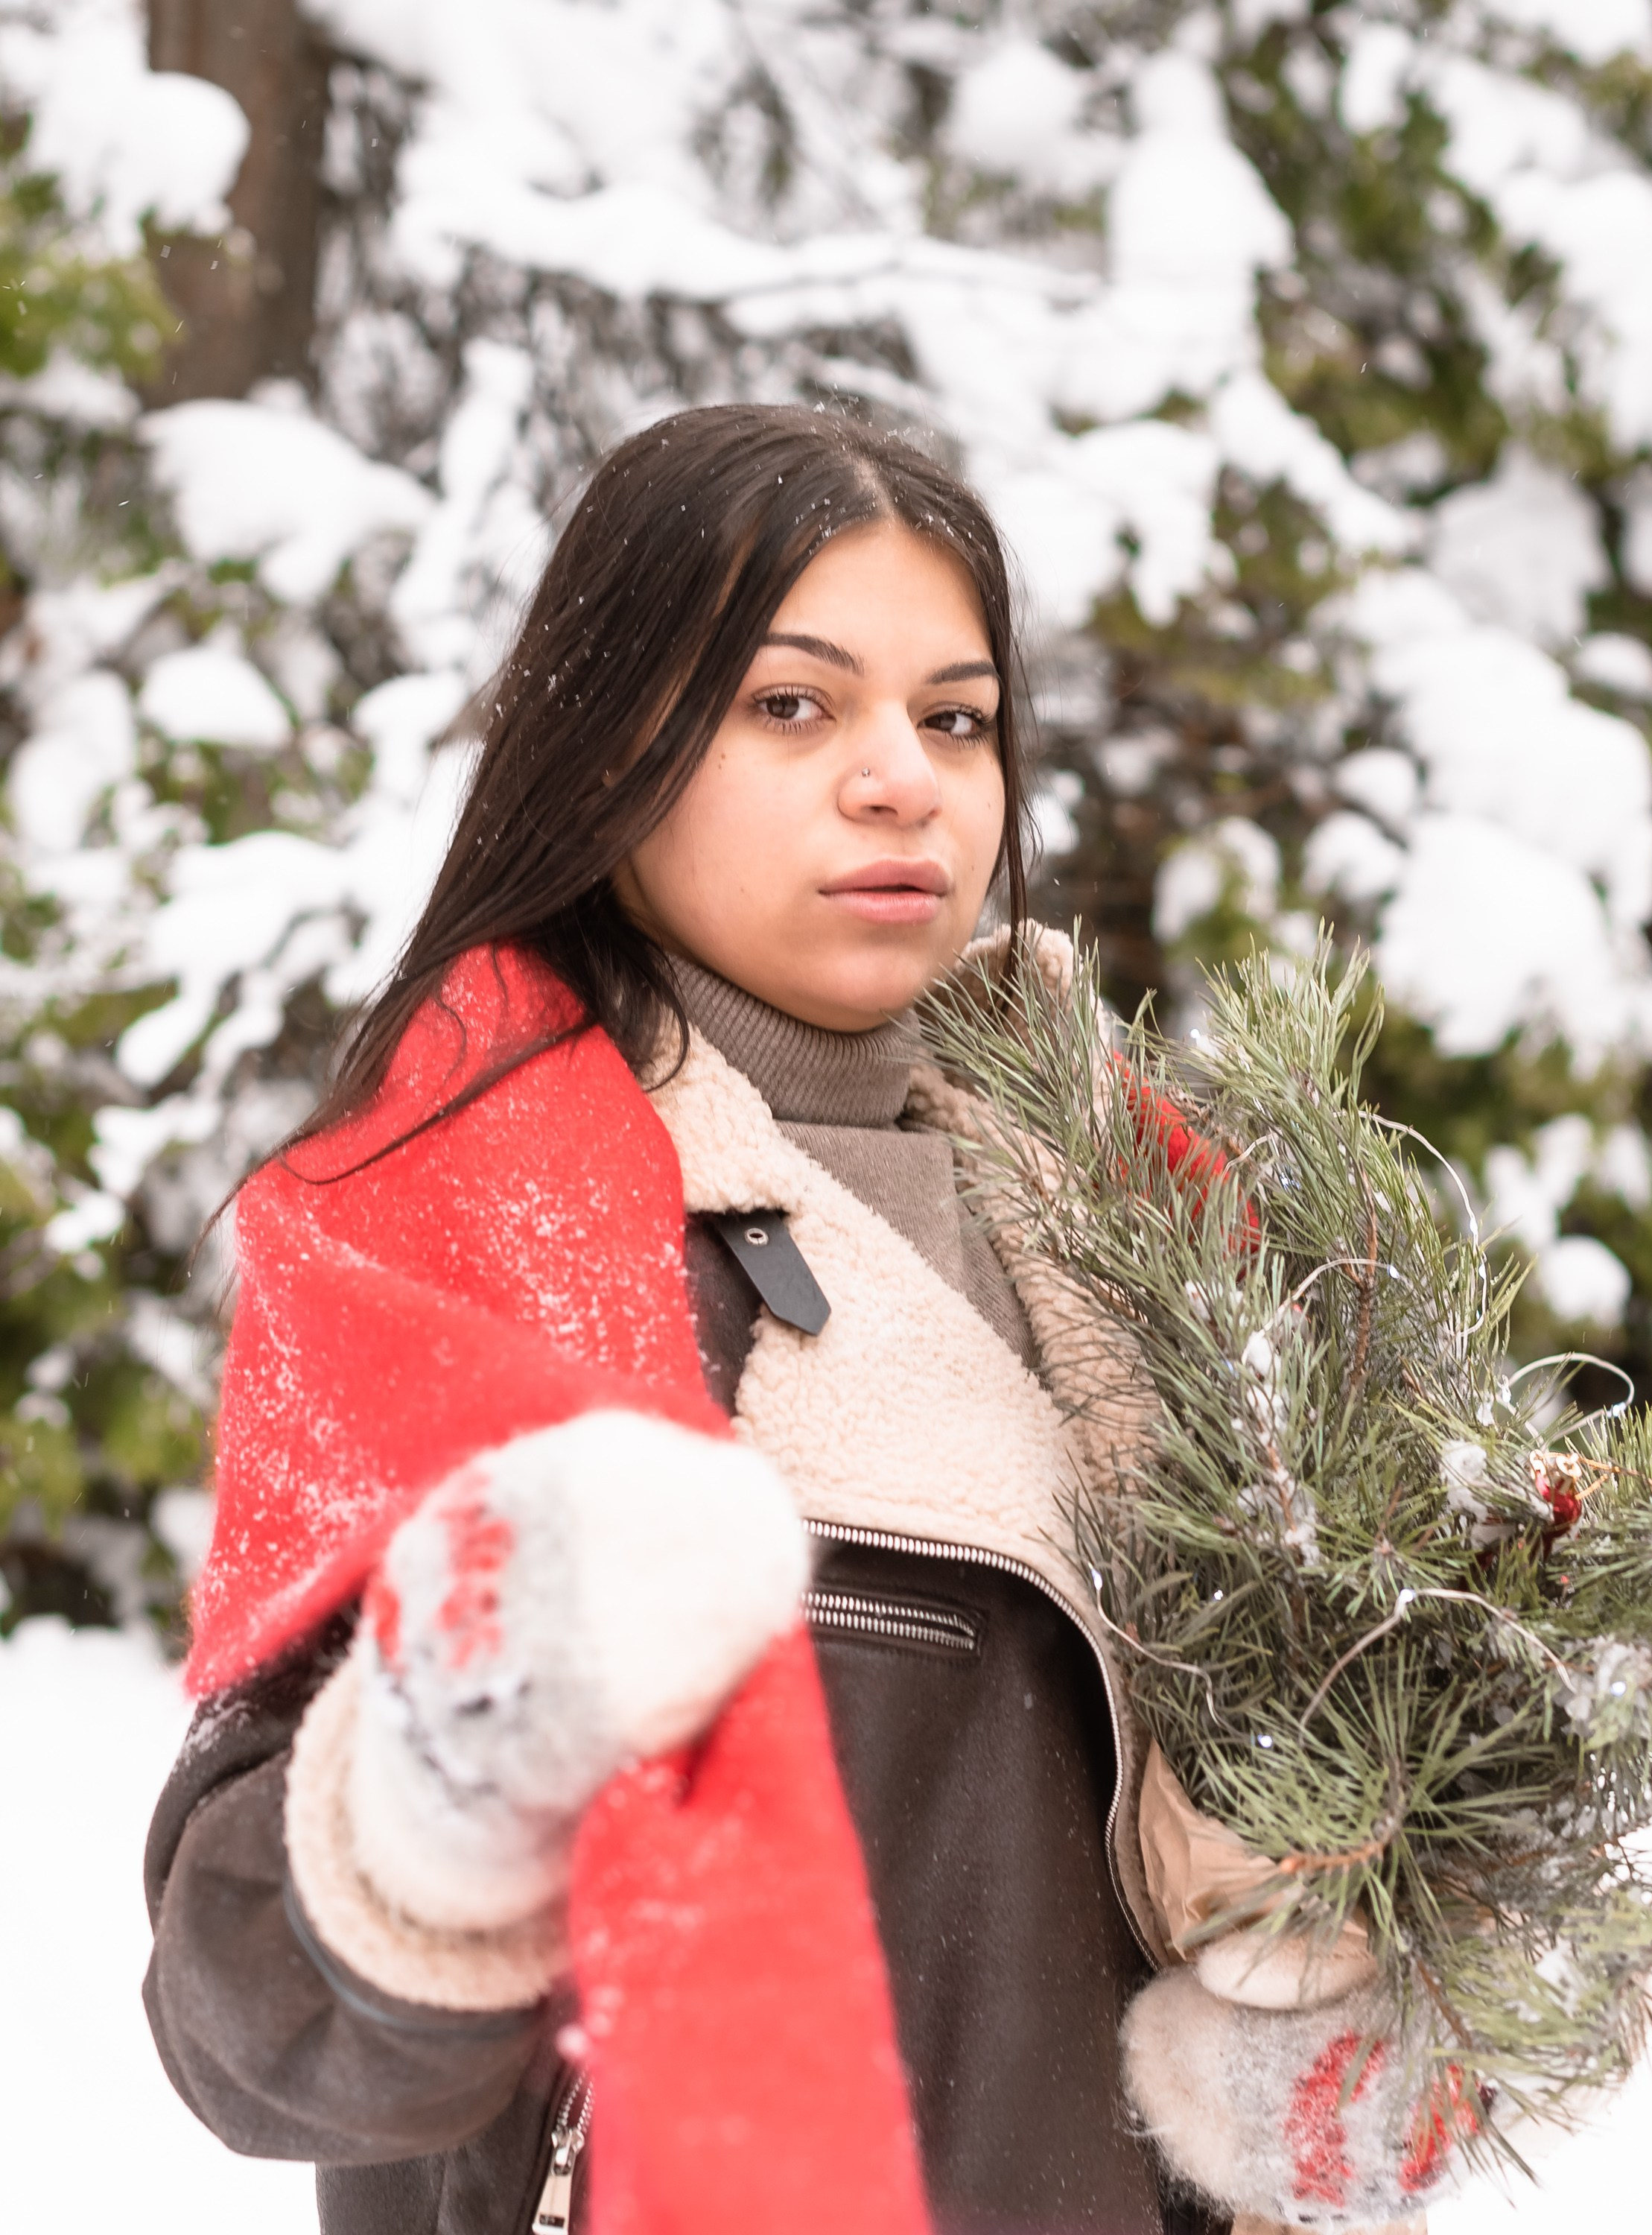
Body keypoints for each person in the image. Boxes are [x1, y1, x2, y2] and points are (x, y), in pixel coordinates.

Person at [142, 405, 1434, 2235]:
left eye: (956, 717)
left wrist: (1384, 1985)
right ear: (614, 752)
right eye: (793, 706)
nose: (903, 779)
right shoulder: (455, 1225)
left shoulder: (1172, 1249)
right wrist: (451, 1787)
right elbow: (253, 2018)